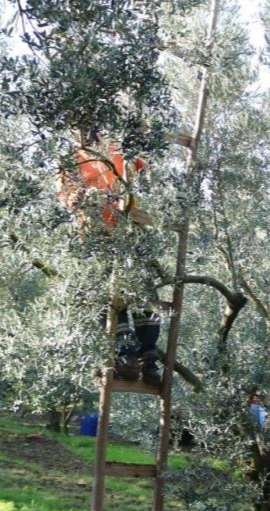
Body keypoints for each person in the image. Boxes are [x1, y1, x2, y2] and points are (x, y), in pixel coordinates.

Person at [57, 136, 161, 386]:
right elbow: (66, 199)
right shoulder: (70, 158)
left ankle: (148, 358)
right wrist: (81, 196)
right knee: (106, 298)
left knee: (144, 294)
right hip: (97, 236)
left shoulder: (121, 145)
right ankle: (126, 356)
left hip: (132, 231)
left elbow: (149, 176)